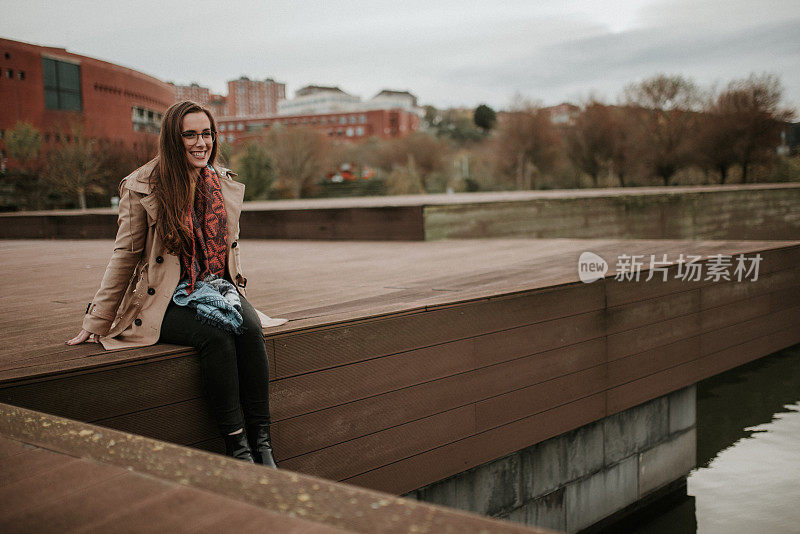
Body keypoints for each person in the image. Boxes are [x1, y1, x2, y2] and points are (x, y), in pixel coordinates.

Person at [67, 100, 279, 466]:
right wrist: (96, 320)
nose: (202, 143)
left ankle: (264, 443)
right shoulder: (142, 186)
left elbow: (230, 246)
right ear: (172, 139)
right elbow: (124, 255)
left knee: (249, 327)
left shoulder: (220, 183)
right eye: (191, 135)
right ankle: (238, 448)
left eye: (207, 133)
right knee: (216, 336)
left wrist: (233, 290)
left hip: (214, 286)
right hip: (166, 297)